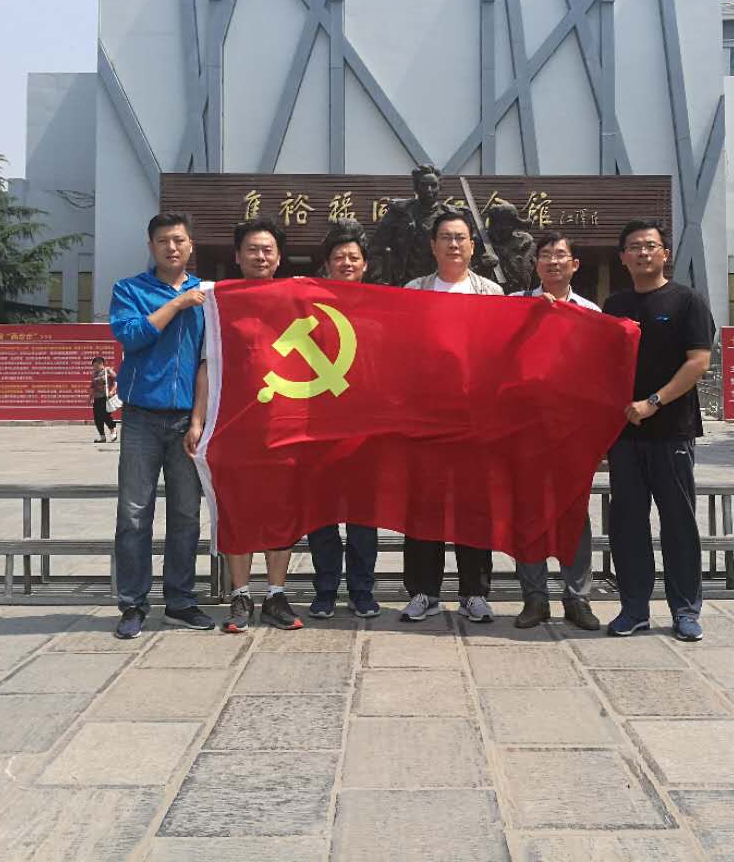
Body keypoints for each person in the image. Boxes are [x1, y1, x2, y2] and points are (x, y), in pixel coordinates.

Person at [187, 217, 303, 633]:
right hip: (232, 425)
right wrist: (197, 421)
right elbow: (207, 366)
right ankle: (240, 595)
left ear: (279, 257)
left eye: (268, 249)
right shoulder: (221, 302)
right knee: (236, 508)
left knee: (281, 509)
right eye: (252, 249)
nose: (260, 256)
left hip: (284, 424)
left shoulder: (295, 300)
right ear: (237, 256)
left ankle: (276, 594)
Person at [603, 219, 714, 642]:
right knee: (627, 524)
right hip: (625, 436)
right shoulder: (615, 305)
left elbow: (698, 362)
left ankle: (685, 610)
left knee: (678, 523)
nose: (643, 252)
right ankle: (634, 609)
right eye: (634, 247)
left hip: (672, 432)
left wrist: (653, 402)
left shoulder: (687, 301)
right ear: (623, 258)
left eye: (650, 245)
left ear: (665, 253)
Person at [109, 212, 213, 639]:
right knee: (134, 514)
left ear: (190, 246)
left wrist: (198, 420)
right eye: (164, 241)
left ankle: (180, 601)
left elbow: (209, 361)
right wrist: (176, 304)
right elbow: (131, 336)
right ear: (151, 246)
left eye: (179, 240)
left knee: (186, 514)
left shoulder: (208, 295)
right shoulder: (129, 290)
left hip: (187, 420)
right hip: (141, 418)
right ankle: (133, 604)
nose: (172, 247)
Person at [398, 211, 505, 623]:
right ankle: (423, 591)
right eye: (446, 237)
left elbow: (500, 353)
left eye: (461, 237)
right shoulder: (414, 291)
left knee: (473, 507)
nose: (454, 244)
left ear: (473, 246)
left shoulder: (491, 293)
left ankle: (474, 592)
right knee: (424, 506)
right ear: (433, 245)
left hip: (475, 419)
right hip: (426, 418)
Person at [508, 231, 601, 630]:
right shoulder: (515, 305)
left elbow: (600, 373)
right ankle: (534, 598)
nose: (553, 261)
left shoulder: (591, 313)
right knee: (528, 513)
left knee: (573, 514)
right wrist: (531, 316)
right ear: (536, 265)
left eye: (560, 255)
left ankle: (577, 598)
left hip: (571, 433)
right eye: (545, 255)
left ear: (574, 264)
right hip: (524, 430)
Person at [304, 221, 381, 619]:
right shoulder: (310, 307)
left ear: (365, 264)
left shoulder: (381, 308)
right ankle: (326, 589)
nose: (346, 263)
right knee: (321, 515)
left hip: (366, 430)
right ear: (327, 265)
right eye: (339, 258)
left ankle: (362, 591)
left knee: (363, 517)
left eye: (353, 257)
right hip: (319, 428)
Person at [90, 356, 118, 443]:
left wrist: (112, 391)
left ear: (101, 364)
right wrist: (90, 397)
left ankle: (113, 430)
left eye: (96, 365)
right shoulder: (94, 374)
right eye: (93, 366)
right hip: (97, 398)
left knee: (105, 415)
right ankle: (102, 437)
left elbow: (117, 381)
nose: (94, 367)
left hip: (105, 397)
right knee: (97, 418)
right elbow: (92, 386)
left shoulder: (107, 371)